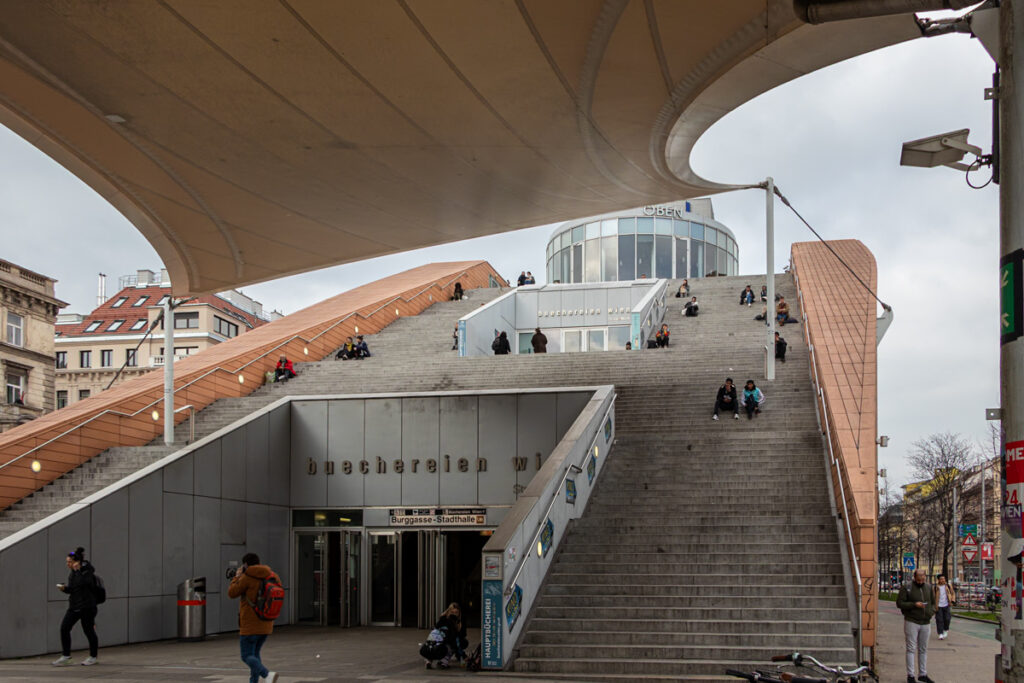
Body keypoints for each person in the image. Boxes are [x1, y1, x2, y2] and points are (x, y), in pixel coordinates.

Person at [228, 553, 279, 683]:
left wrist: (237, 577)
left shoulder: (247, 577)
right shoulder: (272, 575)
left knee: (246, 656)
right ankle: (253, 681)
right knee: (254, 655)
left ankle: (267, 674)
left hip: (250, 625)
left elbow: (232, 593)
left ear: (245, 564)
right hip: (266, 623)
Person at [53, 547, 99, 666]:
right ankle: (66, 656)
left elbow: (85, 583)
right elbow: (73, 589)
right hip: (74, 606)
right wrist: (64, 589)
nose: (67, 564)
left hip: (87, 607)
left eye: (69, 561)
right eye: (67, 561)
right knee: (64, 628)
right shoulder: (73, 573)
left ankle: (93, 657)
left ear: (76, 562)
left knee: (88, 631)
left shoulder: (87, 571)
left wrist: (78, 570)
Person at [897, 568, 936, 683]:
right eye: (918, 580)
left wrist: (931, 611)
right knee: (911, 648)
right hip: (912, 621)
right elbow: (900, 603)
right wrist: (914, 605)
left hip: (926, 622)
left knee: (923, 649)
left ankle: (923, 674)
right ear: (914, 577)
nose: (920, 582)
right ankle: (910, 675)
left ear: (925, 578)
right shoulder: (907, 587)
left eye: (922, 579)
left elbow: (933, 602)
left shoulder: (929, 587)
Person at [433, 602, 468, 668]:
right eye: (452, 612)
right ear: (449, 611)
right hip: (444, 639)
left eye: (456, 612)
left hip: (454, 638)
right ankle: (443, 661)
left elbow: (463, 633)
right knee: (451, 645)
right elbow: (437, 628)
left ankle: (447, 659)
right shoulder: (445, 619)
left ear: (459, 612)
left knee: (462, 642)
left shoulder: (461, 619)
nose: (454, 614)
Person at [934, 573, 955, 640]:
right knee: (939, 620)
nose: (943, 580)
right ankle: (940, 633)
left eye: (944, 579)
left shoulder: (948, 586)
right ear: (938, 580)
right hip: (938, 606)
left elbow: (953, 593)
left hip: (946, 605)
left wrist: (952, 601)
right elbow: (932, 596)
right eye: (941, 579)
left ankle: (945, 629)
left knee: (947, 618)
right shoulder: (935, 587)